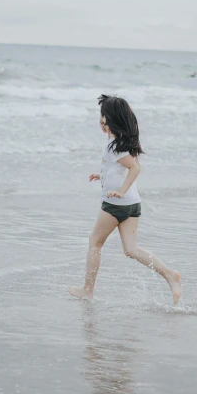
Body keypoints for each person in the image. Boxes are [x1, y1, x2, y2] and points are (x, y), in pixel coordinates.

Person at [68, 94, 181, 304]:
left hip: (116, 204)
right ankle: (169, 274)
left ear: (108, 120)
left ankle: (87, 290)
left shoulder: (113, 146)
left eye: (102, 116)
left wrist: (119, 191)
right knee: (131, 249)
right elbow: (120, 168)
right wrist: (102, 176)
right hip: (132, 204)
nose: (100, 121)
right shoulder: (124, 143)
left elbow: (135, 168)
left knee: (95, 243)